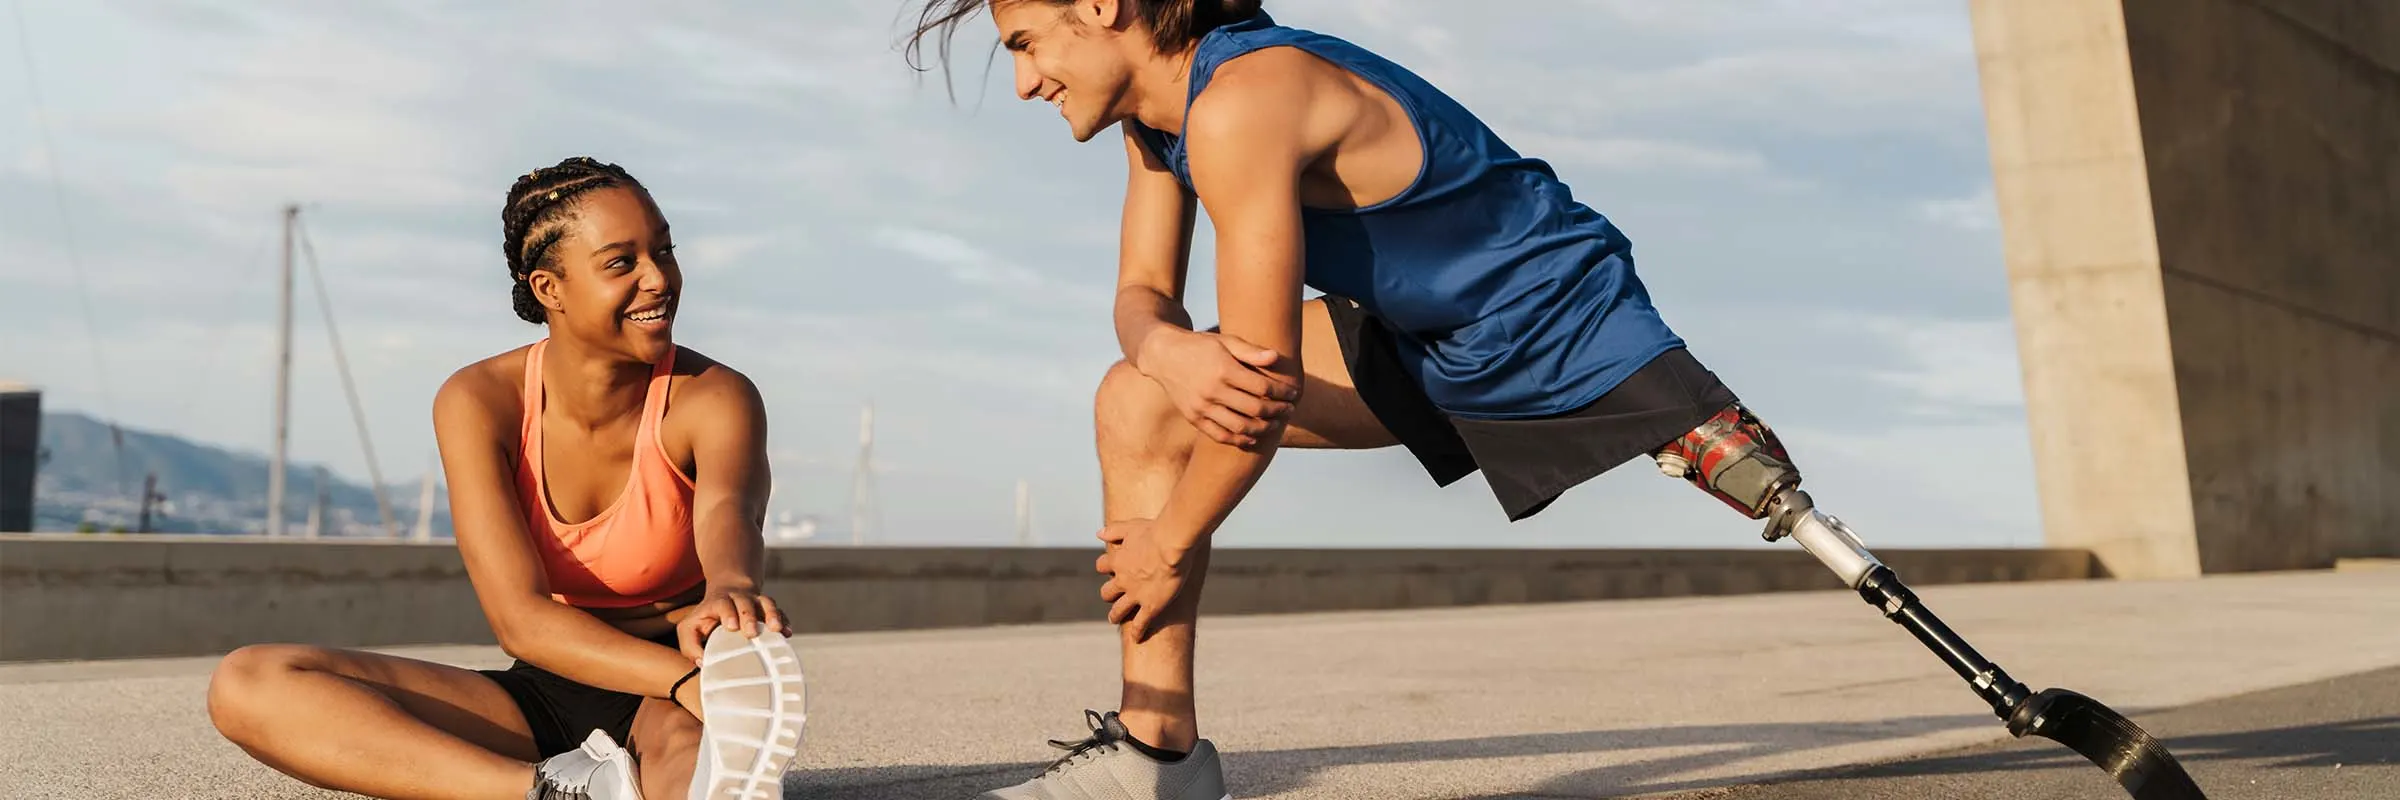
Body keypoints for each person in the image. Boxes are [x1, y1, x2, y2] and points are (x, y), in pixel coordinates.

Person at [902, 3, 1817, 799]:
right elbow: (1139, 294)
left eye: (1026, 43)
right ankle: (1155, 760)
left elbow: (1259, 393)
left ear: (1102, 7)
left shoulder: (1245, 100)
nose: (1025, 83)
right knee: (1138, 397)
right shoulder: (1160, 122)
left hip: (1548, 321)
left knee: (1187, 403)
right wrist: (1166, 351)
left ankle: (1681, 424)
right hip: (1415, 332)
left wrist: (1167, 545)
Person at [206, 157, 811, 800]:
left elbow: (728, 512)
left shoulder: (713, 397)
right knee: (250, 683)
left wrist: (730, 592)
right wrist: (692, 686)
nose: (658, 279)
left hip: (670, 682)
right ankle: (553, 793)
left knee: (705, 782)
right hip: (546, 688)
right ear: (550, 289)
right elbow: (519, 621)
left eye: (664, 251)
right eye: (621, 263)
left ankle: (642, 775)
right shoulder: (479, 400)